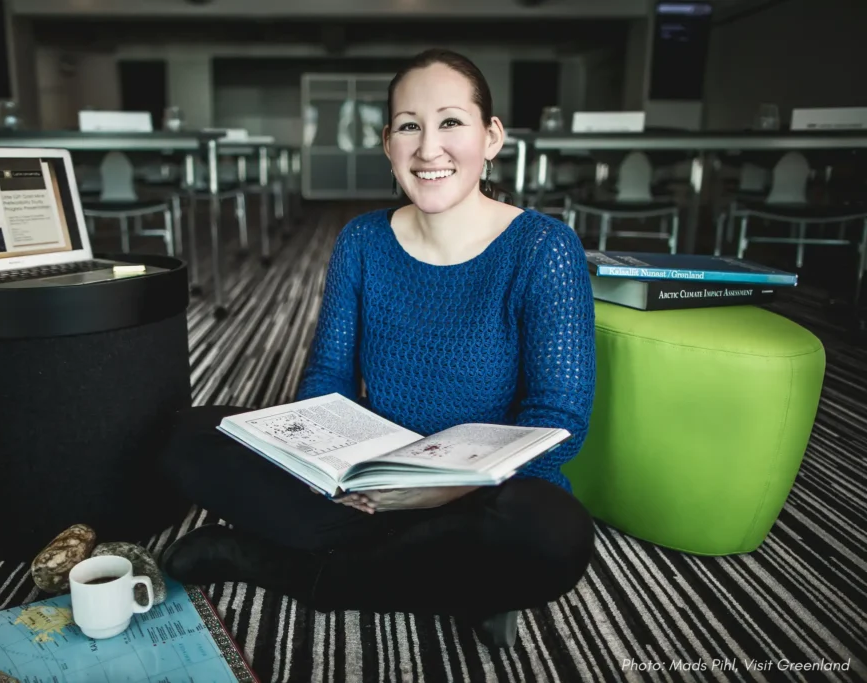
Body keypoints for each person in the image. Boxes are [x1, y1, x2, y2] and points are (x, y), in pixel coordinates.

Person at [157, 48, 597, 647]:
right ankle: (449, 580)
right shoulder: (362, 240)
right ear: (388, 142)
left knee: (549, 533)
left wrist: (447, 488)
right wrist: (334, 469)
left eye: (450, 122)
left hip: (482, 495)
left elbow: (559, 419)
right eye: (409, 126)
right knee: (189, 439)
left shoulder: (544, 247)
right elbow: (327, 380)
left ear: (491, 137)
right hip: (370, 480)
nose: (429, 147)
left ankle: (310, 576)